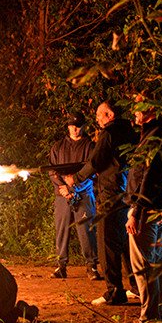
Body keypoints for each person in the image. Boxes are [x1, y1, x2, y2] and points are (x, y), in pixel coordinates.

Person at [65, 101, 137, 305]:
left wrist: (76, 179)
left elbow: (96, 161)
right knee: (125, 243)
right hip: (127, 192)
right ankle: (137, 287)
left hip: (110, 193)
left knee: (107, 243)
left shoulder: (109, 133)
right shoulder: (130, 131)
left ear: (110, 115)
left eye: (100, 114)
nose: (96, 118)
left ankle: (115, 292)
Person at [125, 105, 162, 323]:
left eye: (138, 107)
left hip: (149, 208)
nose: (134, 112)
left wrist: (137, 210)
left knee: (144, 265)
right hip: (161, 206)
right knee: (155, 261)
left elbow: (150, 176)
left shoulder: (155, 137)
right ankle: (158, 315)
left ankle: (148, 320)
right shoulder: (161, 133)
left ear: (150, 109)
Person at [48, 112, 101, 280]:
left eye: (78, 126)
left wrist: (76, 187)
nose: (75, 129)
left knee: (86, 229)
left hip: (83, 194)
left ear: (83, 127)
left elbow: (92, 171)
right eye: (72, 125)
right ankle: (61, 266)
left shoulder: (90, 147)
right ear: (68, 126)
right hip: (62, 195)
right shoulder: (58, 147)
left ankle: (91, 266)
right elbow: (52, 170)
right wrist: (63, 187)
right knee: (62, 230)